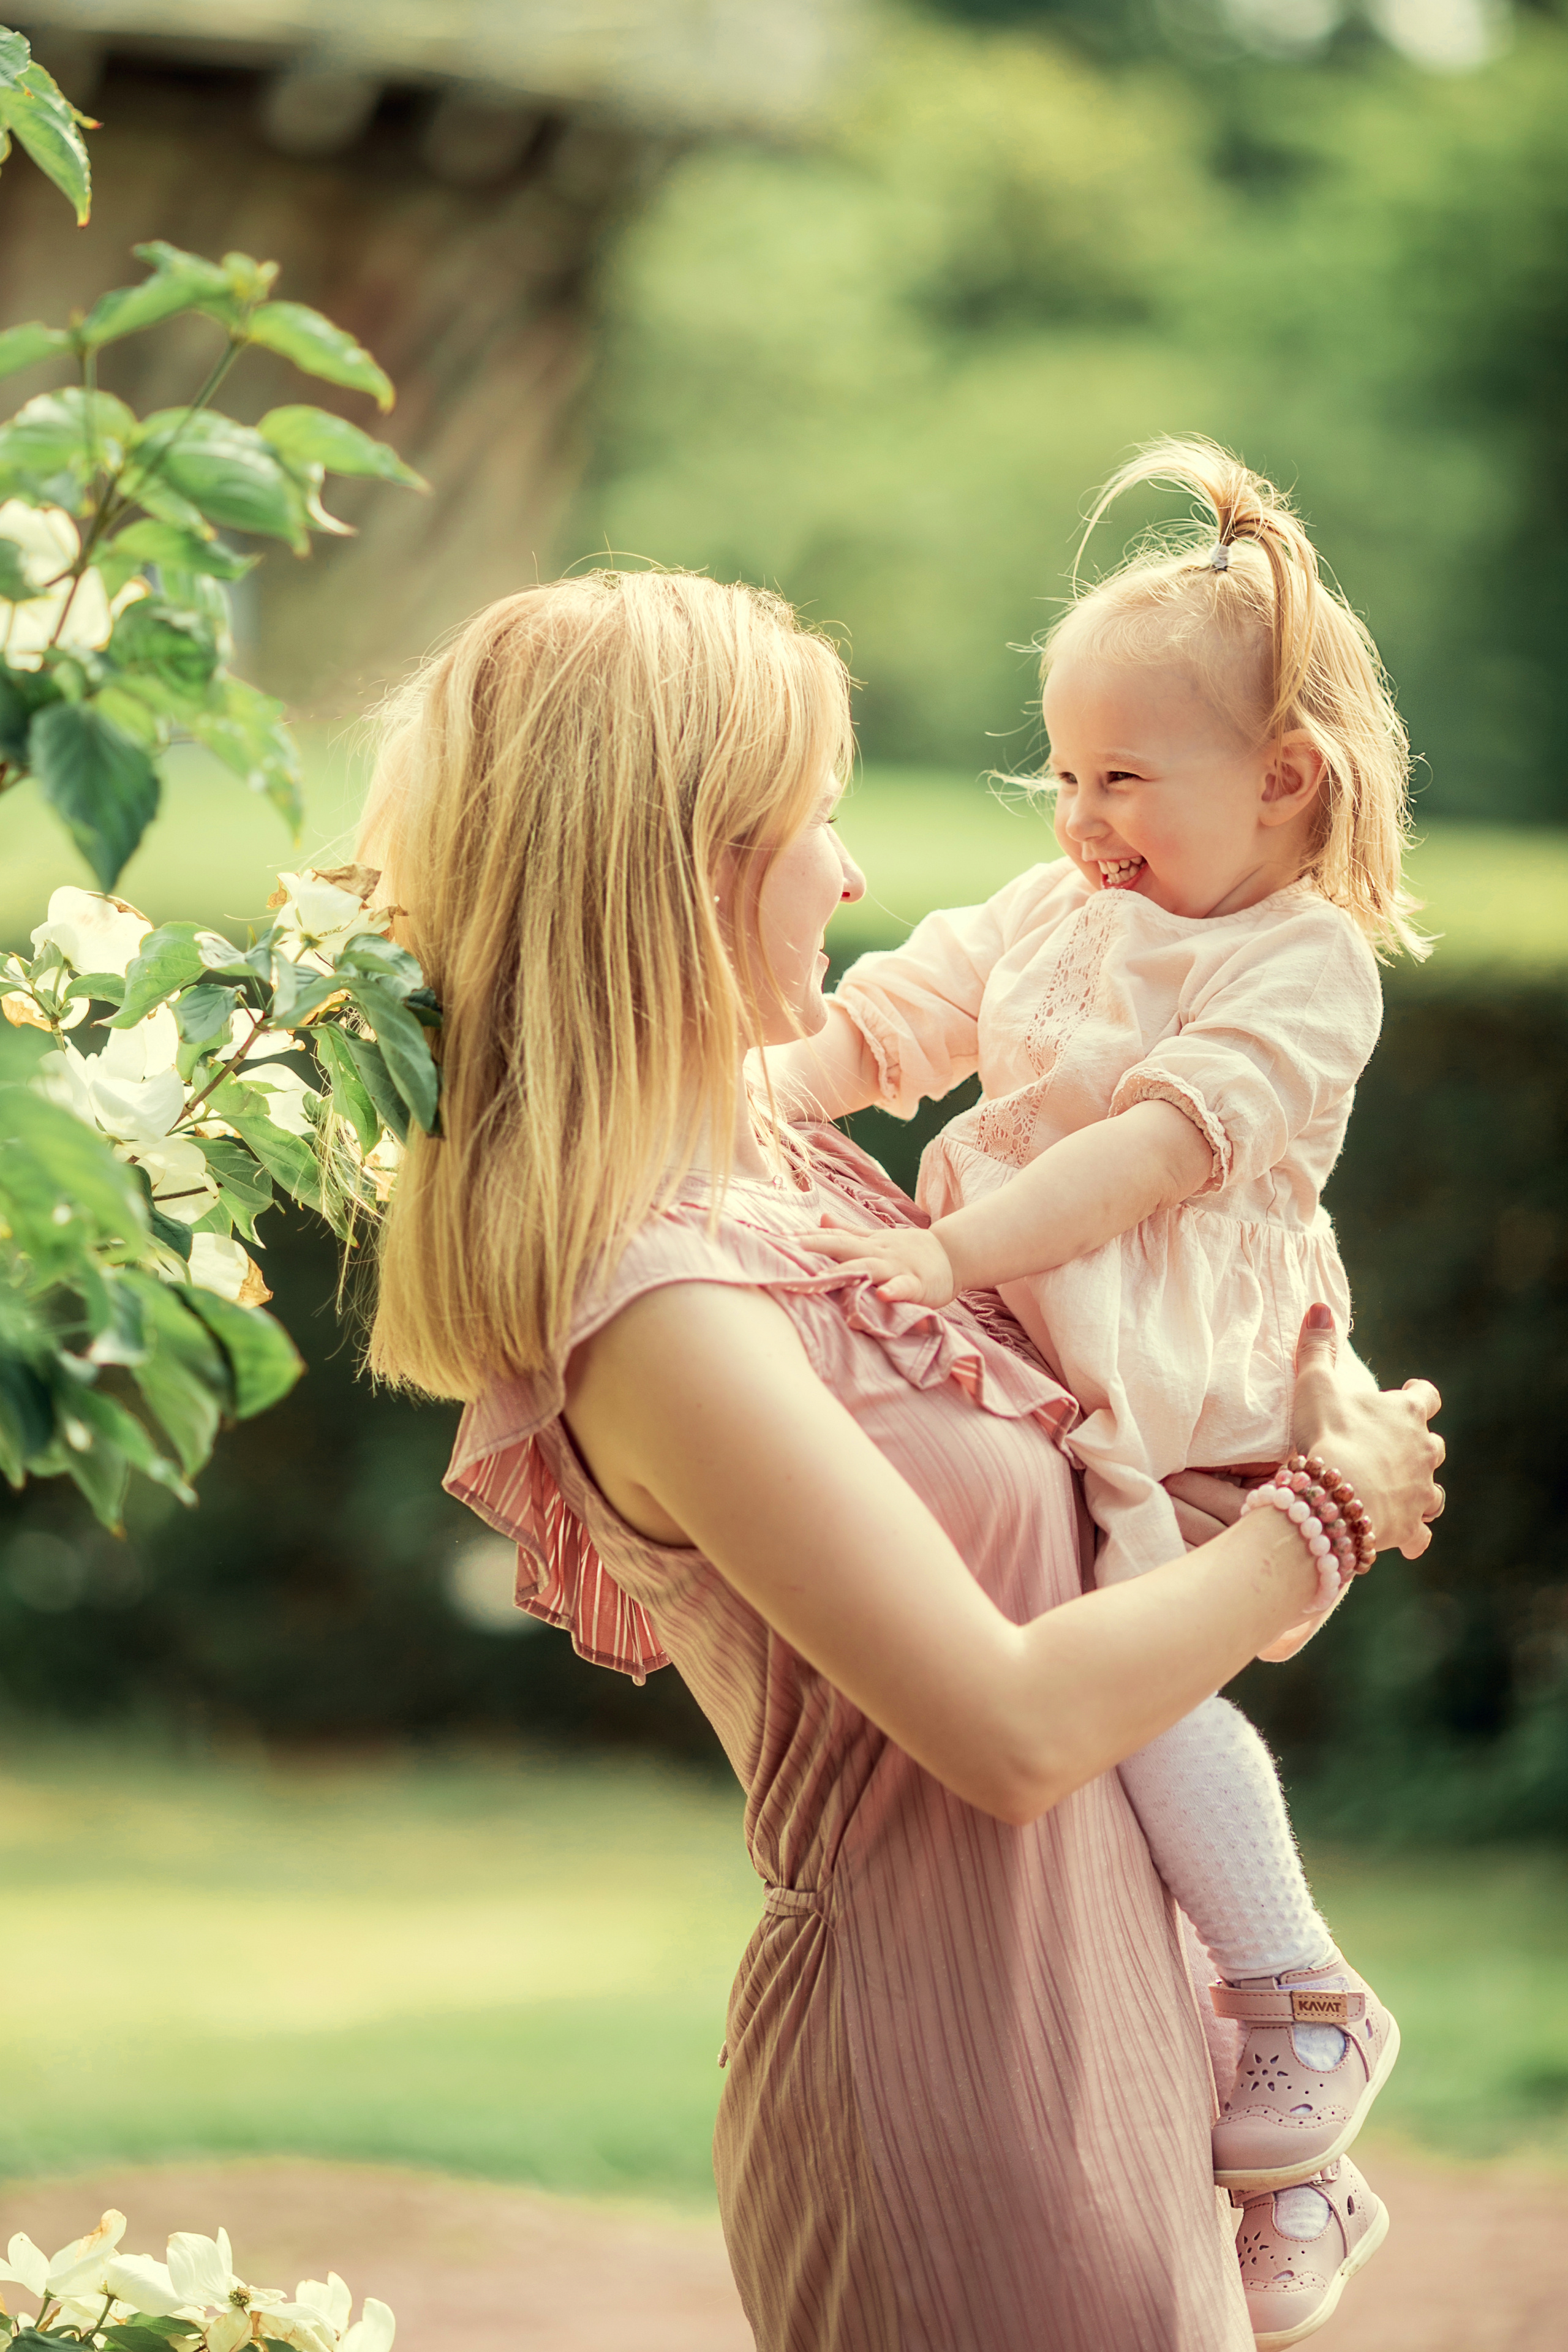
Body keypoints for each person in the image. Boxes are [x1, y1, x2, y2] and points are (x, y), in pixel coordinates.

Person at [356, 568, 1443, 2352]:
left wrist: (1282, 1416)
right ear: (687, 862)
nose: (854, 875)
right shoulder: (663, 1297)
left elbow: (1120, 1504)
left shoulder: (790, 1186)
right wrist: (1329, 1517)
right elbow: (1011, 1728)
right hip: (959, 2065)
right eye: (817, 820)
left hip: (1109, 2015)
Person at [771, 442, 1427, 2288]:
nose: (1078, 816)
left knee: (1134, 1690)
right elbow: (896, 1012)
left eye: (1124, 775)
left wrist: (950, 1249)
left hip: (1181, 1374)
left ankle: (1306, 1994)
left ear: (1284, 778)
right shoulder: (1065, 904)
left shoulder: (1307, 966)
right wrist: (747, 1091)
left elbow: (1155, 1156)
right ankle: (1287, 2178)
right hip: (1053, 1346)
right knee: (1085, 1754)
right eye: (1062, 772)